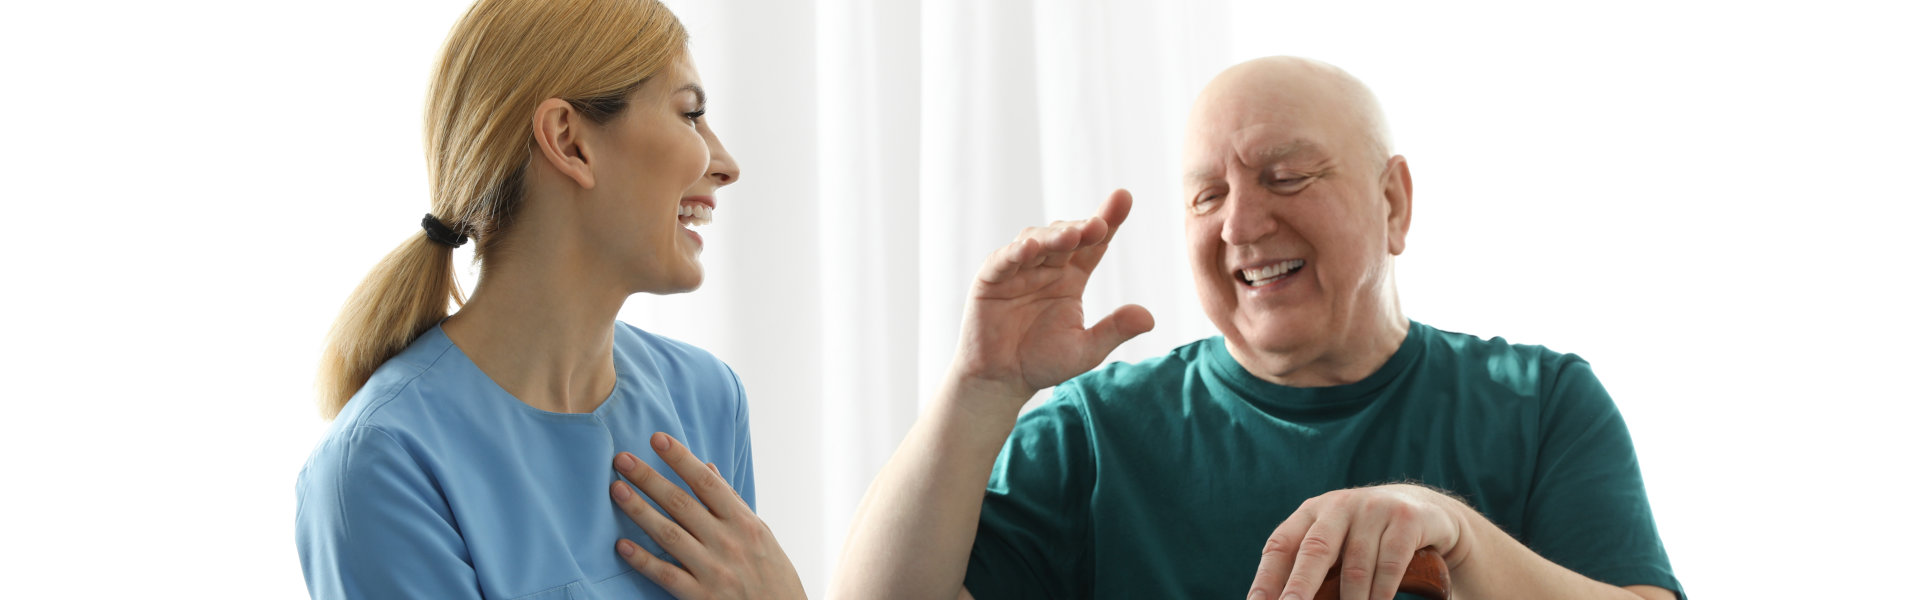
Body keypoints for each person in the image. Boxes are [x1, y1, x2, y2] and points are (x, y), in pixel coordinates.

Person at [834, 57, 1683, 600]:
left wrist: (1450, 531)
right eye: (1207, 195)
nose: (1240, 224)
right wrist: (979, 387)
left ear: (1394, 202)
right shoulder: (1095, 433)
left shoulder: (1539, 404)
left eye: (1285, 176)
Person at [296, 1, 805, 598]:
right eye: (690, 115)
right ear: (570, 141)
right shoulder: (385, 464)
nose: (724, 164)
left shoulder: (707, 399)